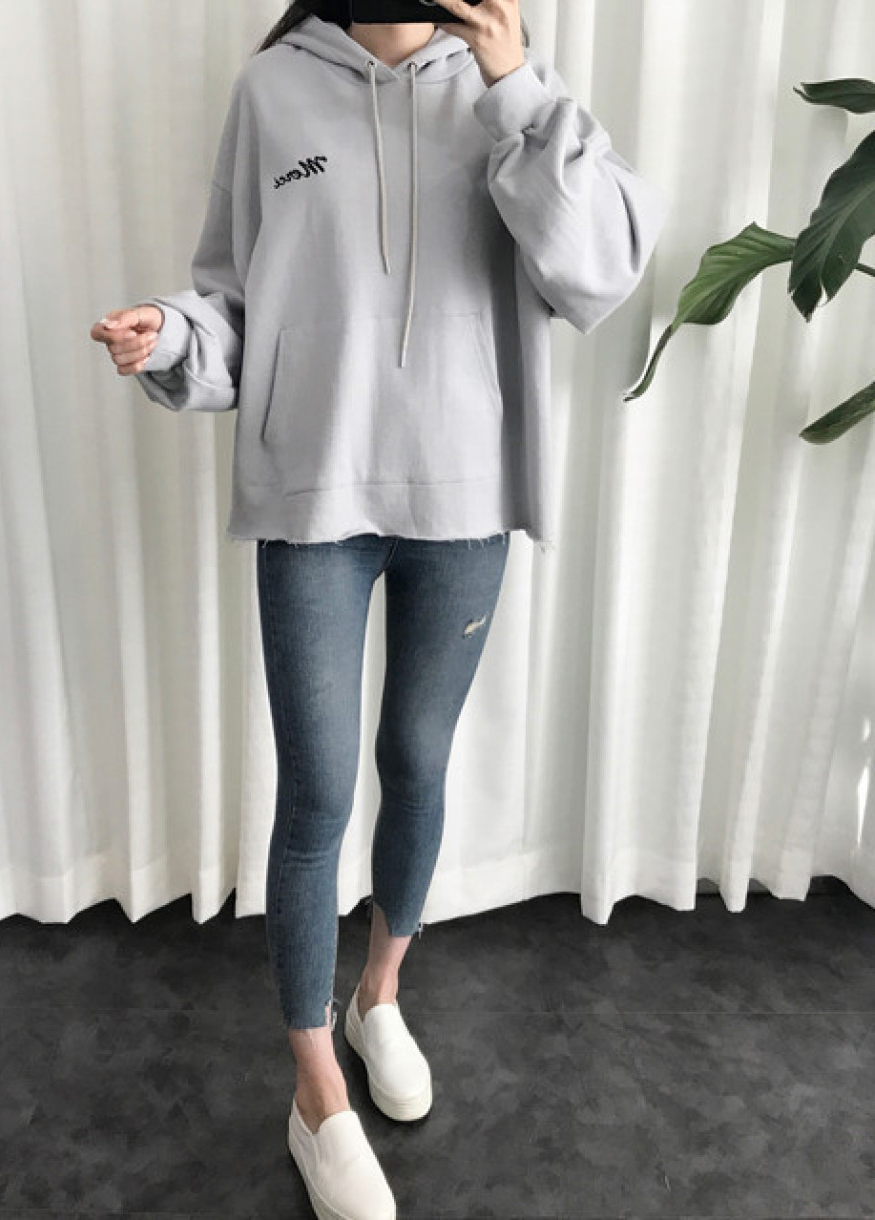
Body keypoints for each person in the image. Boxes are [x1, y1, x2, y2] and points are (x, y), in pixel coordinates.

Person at [90, 2, 669, 1216]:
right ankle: (316, 1089)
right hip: (314, 496)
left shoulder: (516, 94)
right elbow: (233, 296)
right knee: (315, 794)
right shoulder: (273, 92)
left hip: (465, 493)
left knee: (418, 759)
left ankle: (381, 993)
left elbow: (597, 273)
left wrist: (517, 87)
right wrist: (173, 334)